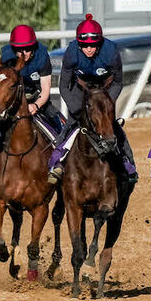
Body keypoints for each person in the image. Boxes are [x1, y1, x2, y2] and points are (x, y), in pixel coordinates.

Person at [48, 14, 136, 183]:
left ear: (99, 43)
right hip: (79, 91)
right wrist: (76, 108)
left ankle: (128, 163)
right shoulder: (72, 53)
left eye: (93, 45)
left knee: (111, 125)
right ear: (79, 44)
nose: (89, 49)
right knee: (71, 124)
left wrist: (105, 104)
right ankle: (55, 162)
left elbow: (118, 83)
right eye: (85, 45)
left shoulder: (111, 52)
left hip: (104, 92)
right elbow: (64, 86)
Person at [0, 24, 62, 132]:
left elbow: (45, 89)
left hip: (37, 97)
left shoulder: (42, 57)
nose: (24, 53)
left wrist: (36, 106)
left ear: (33, 47)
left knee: (56, 121)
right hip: (15, 99)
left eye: (27, 49)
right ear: (14, 49)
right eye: (19, 50)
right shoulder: (7, 59)